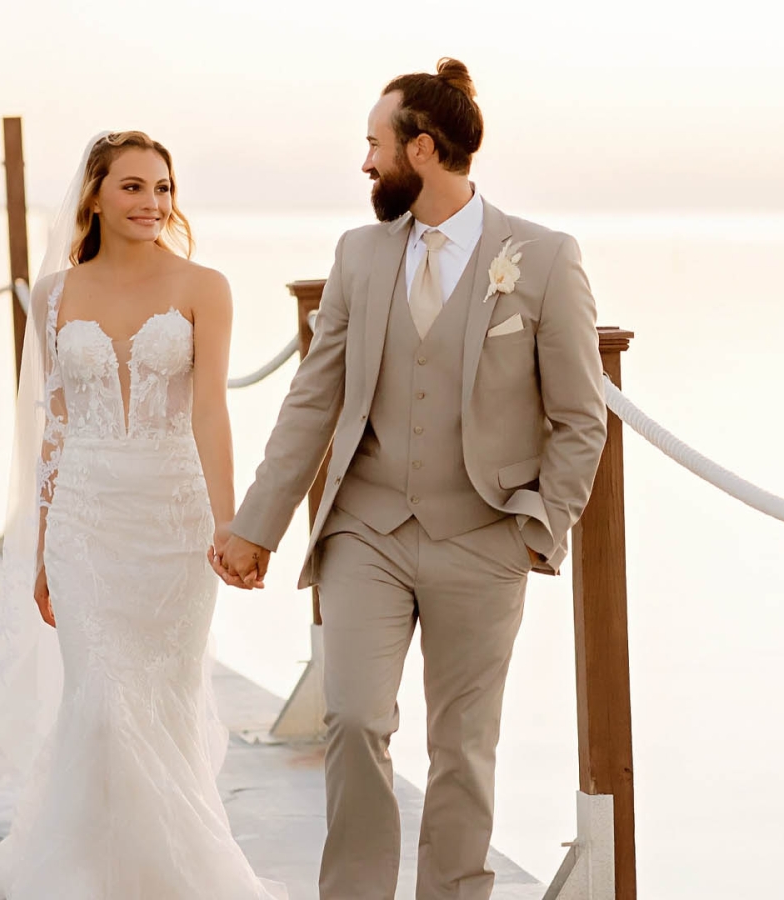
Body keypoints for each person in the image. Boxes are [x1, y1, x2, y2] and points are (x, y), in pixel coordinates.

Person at [215, 59, 608, 900]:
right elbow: (313, 398)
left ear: (421, 150)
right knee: (354, 719)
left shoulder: (541, 258)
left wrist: (541, 526)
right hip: (369, 528)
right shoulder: (359, 255)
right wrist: (257, 524)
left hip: (486, 535)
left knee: (463, 748)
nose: (364, 165)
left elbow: (581, 417)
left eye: (374, 145)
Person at [0, 130, 285, 899]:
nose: (151, 203)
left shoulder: (204, 286)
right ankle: (83, 874)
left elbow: (211, 413)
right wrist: (45, 546)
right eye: (131, 186)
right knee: (99, 699)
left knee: (165, 696)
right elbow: (53, 428)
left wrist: (230, 524)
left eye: (161, 187)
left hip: (174, 520)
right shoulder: (54, 294)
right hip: (87, 519)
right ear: (94, 194)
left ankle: (171, 871)